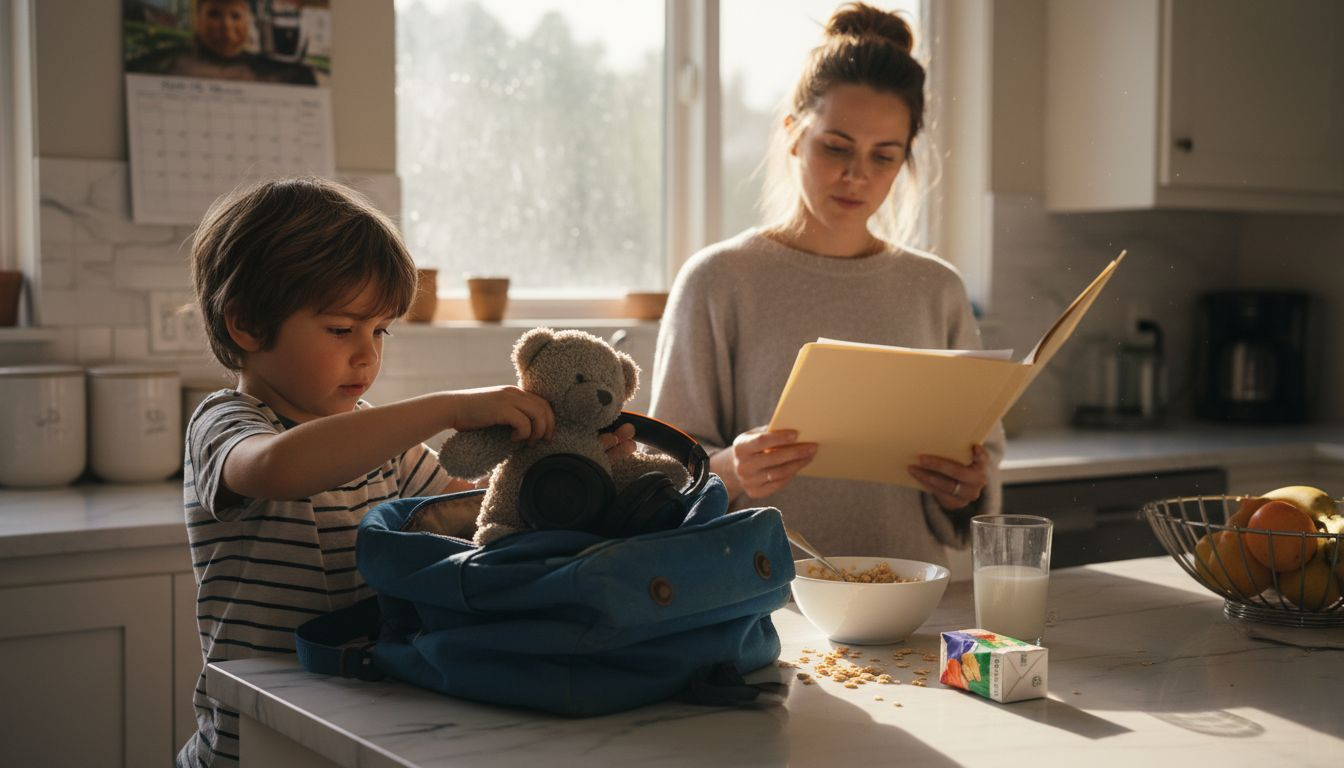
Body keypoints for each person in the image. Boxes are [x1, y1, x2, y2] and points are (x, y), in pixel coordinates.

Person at [176, 177, 635, 767]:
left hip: (358, 722)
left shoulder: (376, 436)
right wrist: (449, 407)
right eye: (342, 329)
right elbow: (276, 467)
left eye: (379, 331)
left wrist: (569, 473)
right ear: (247, 326)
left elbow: (469, 511)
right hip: (254, 740)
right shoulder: (227, 422)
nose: (367, 354)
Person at [649, 2, 1003, 566]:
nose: (856, 175)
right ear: (793, 134)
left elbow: (980, 490)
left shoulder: (936, 289)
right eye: (836, 147)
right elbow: (663, 477)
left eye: (884, 156)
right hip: (755, 608)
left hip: (907, 600)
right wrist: (732, 470)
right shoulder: (717, 281)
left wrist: (964, 489)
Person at [128, 0, 318, 85]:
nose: (226, 26)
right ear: (197, 18)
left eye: (235, 16)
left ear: (247, 19)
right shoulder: (161, 65)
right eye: (214, 14)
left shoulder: (285, 74)